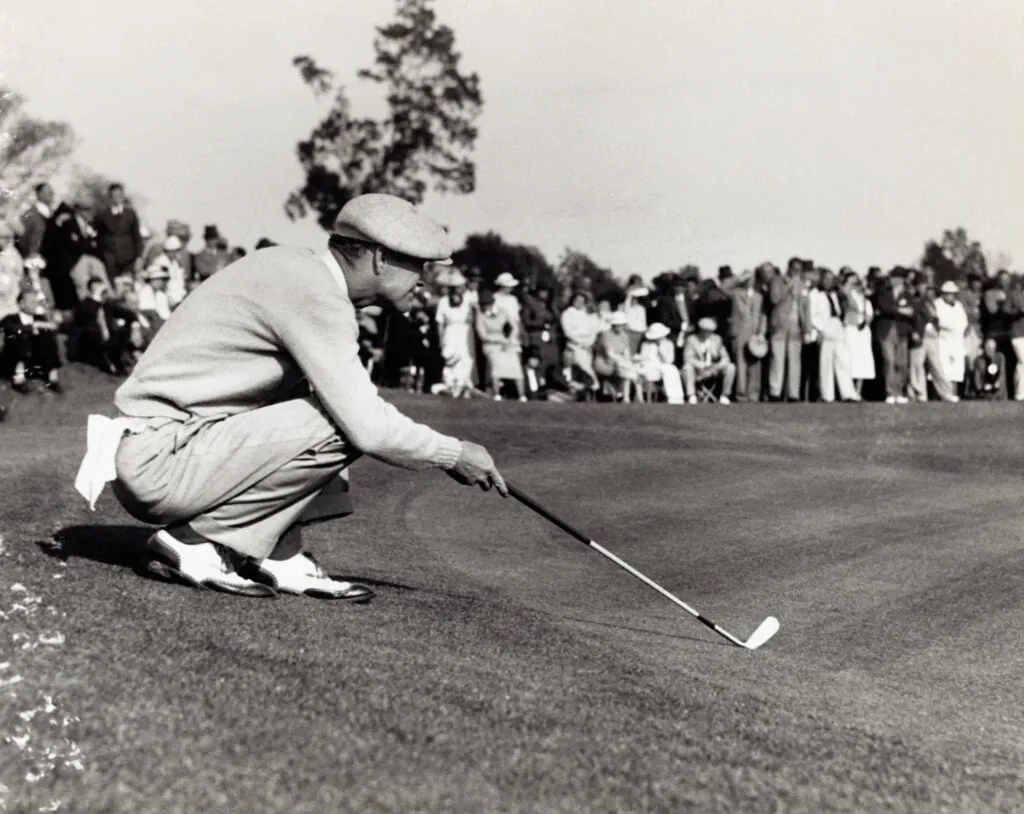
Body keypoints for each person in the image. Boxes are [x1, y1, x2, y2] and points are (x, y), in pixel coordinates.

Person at [74, 193, 507, 600]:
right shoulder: (314, 292)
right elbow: (370, 428)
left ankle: (279, 554)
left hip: (165, 451)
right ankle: (196, 542)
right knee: (347, 420)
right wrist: (453, 453)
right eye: (419, 265)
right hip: (162, 461)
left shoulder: (300, 272)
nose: (425, 280)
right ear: (379, 257)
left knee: (328, 402)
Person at [809, 268, 860, 403]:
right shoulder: (814, 294)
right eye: (826, 279)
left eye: (831, 279)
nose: (829, 282)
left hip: (837, 324)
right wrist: (821, 329)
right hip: (825, 327)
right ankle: (827, 395)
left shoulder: (834, 294)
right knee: (826, 363)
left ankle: (848, 393)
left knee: (843, 360)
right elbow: (812, 314)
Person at [0, 289, 64, 393]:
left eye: (36, 302)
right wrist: (34, 326)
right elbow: (11, 328)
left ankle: (52, 377)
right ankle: (18, 380)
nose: (36, 305)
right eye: (32, 302)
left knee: (48, 335)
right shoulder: (10, 319)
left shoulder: (39, 318)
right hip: (15, 361)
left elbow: (52, 327)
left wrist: (56, 322)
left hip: (35, 358)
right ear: (22, 304)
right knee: (20, 335)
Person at [475, 287, 525, 400]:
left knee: (515, 364)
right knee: (496, 366)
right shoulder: (480, 315)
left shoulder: (503, 311)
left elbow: (515, 327)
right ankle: (497, 393)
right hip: (490, 345)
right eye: (483, 304)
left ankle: (522, 395)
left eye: (487, 303)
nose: (485, 306)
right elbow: (482, 335)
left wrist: (511, 338)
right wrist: (498, 340)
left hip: (505, 342)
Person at [872, 268, 914, 404]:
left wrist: (894, 310)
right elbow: (884, 307)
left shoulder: (907, 294)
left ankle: (899, 391)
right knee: (889, 361)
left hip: (901, 332)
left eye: (895, 277)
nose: (892, 280)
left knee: (902, 363)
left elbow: (912, 311)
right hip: (886, 332)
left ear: (900, 279)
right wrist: (900, 310)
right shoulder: (884, 293)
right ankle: (890, 392)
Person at [93, 183, 144, 280]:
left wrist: (138, 257)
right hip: (110, 259)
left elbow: (137, 237)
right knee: (113, 283)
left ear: (123, 196)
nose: (117, 199)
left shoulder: (130, 214)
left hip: (128, 258)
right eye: (114, 196)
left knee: (127, 284)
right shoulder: (102, 215)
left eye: (119, 196)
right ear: (110, 198)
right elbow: (98, 236)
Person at [681, 317, 736, 404]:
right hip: (698, 370)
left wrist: (717, 367)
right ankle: (691, 395)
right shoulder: (691, 339)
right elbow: (687, 358)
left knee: (730, 367)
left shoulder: (717, 339)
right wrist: (701, 365)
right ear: (700, 330)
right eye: (705, 330)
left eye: (710, 331)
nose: (707, 333)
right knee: (686, 368)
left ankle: (725, 395)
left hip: (714, 370)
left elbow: (726, 358)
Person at [840, 270, 875, 397]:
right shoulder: (850, 294)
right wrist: (850, 280)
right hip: (851, 329)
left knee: (862, 361)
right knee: (850, 358)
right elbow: (844, 291)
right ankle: (849, 390)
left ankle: (858, 391)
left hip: (863, 331)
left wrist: (865, 322)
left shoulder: (865, 300)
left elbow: (870, 315)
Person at [593, 311, 640, 402]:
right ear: (613, 325)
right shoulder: (605, 334)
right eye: (618, 325)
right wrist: (625, 361)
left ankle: (629, 397)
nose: (620, 327)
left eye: (622, 325)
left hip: (618, 362)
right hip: (604, 363)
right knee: (626, 368)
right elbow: (610, 354)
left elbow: (626, 353)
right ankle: (626, 396)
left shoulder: (625, 336)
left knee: (633, 368)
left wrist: (629, 361)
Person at [934, 280, 969, 397]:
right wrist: (954, 326)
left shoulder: (958, 305)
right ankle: (945, 393)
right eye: (950, 293)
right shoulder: (938, 304)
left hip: (957, 341)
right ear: (944, 293)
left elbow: (964, 322)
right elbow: (942, 321)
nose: (952, 296)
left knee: (957, 368)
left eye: (954, 294)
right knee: (944, 368)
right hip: (943, 340)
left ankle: (954, 393)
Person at [636, 322, 684, 404]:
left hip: (663, 365)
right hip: (648, 366)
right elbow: (643, 357)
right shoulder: (645, 344)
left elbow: (669, 361)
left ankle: (676, 398)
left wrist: (661, 349)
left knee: (672, 370)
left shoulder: (669, 344)